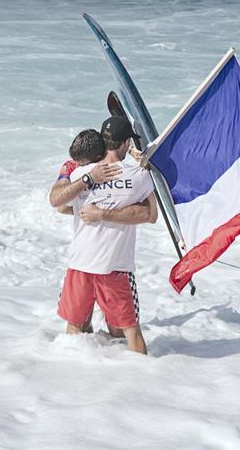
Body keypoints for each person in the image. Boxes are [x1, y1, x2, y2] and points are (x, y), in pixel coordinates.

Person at [58, 122, 156, 354]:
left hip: (80, 263)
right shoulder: (139, 176)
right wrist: (144, 163)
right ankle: (142, 379)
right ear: (125, 143)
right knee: (130, 329)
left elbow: (61, 207)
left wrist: (94, 210)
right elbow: (150, 215)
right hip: (114, 266)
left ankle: (74, 374)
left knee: (75, 327)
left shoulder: (82, 174)